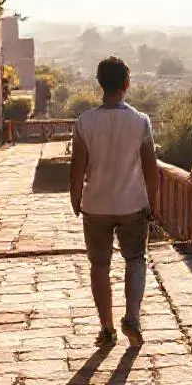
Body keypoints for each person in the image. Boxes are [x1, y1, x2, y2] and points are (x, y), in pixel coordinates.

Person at [69, 56, 160, 348]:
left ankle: (107, 328)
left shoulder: (85, 122)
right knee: (135, 259)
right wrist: (153, 202)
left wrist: (75, 198)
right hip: (132, 204)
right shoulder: (140, 122)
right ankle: (132, 317)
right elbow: (150, 168)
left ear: (100, 84)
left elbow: (78, 165)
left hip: (95, 205)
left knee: (99, 265)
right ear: (126, 84)